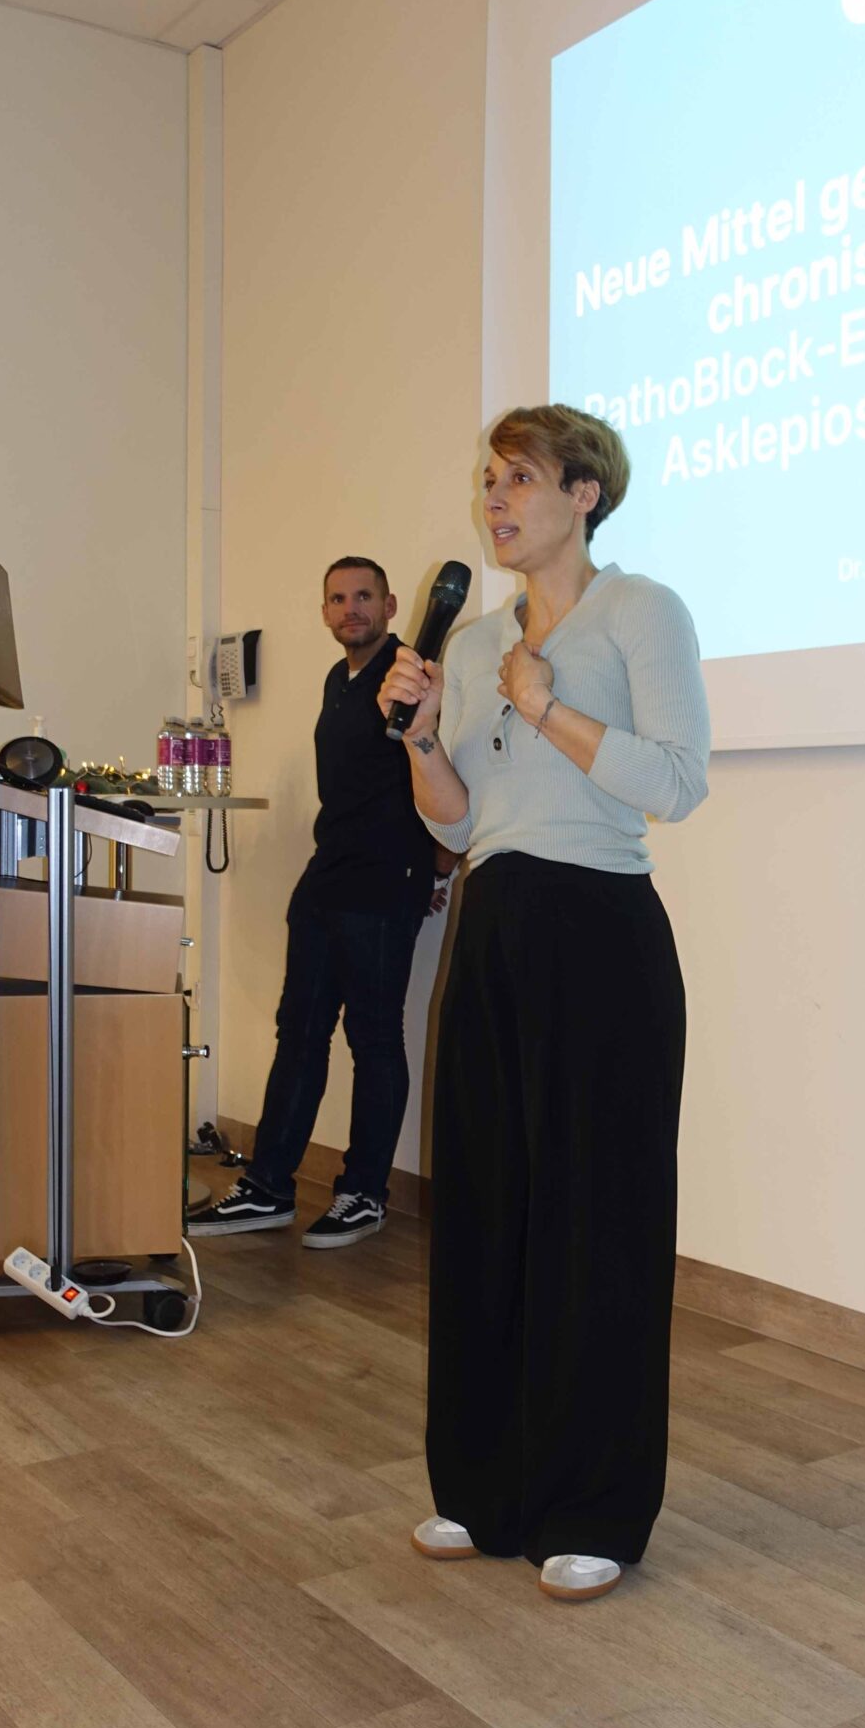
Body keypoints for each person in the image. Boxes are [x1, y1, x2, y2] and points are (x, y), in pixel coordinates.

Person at [379, 406, 710, 1602]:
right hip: (495, 925)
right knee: (486, 1212)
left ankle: (593, 1506)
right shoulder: (473, 645)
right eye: (489, 479)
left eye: (519, 477)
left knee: (596, 1222)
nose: (495, 499)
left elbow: (678, 782)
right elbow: (461, 817)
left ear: (584, 493)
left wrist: (546, 704)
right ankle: (485, 1488)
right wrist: (424, 739)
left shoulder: (641, 613)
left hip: (601, 932)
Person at [196, 557, 447, 1250]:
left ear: (389, 605)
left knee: (374, 1037)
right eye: (337, 599)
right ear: (324, 612)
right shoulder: (340, 679)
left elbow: (448, 770)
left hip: (384, 882)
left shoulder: (411, 676)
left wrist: (439, 870)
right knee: (299, 1032)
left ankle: (363, 1194)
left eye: (363, 596)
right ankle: (268, 1187)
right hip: (327, 878)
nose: (349, 609)